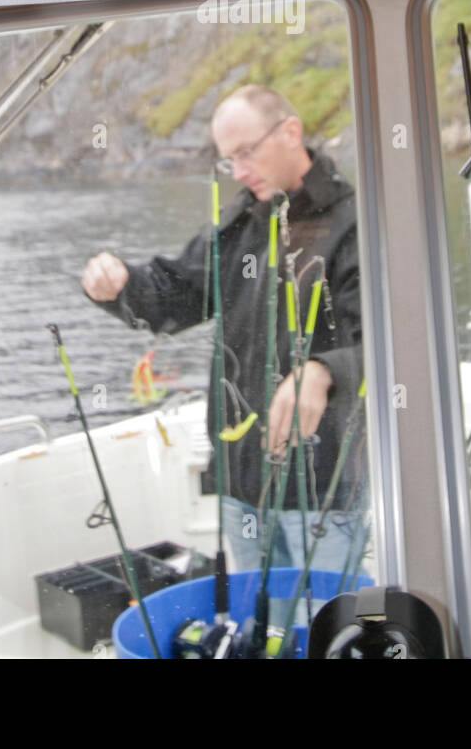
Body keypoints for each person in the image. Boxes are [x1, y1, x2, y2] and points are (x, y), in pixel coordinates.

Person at [82, 84, 365, 575]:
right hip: (241, 483)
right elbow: (176, 296)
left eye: (245, 153)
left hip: (323, 487)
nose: (237, 171)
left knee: (327, 626)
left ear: (290, 132)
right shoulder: (243, 221)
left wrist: (323, 371)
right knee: (261, 633)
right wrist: (119, 285)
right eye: (227, 159)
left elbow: (389, 338)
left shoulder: (355, 223)